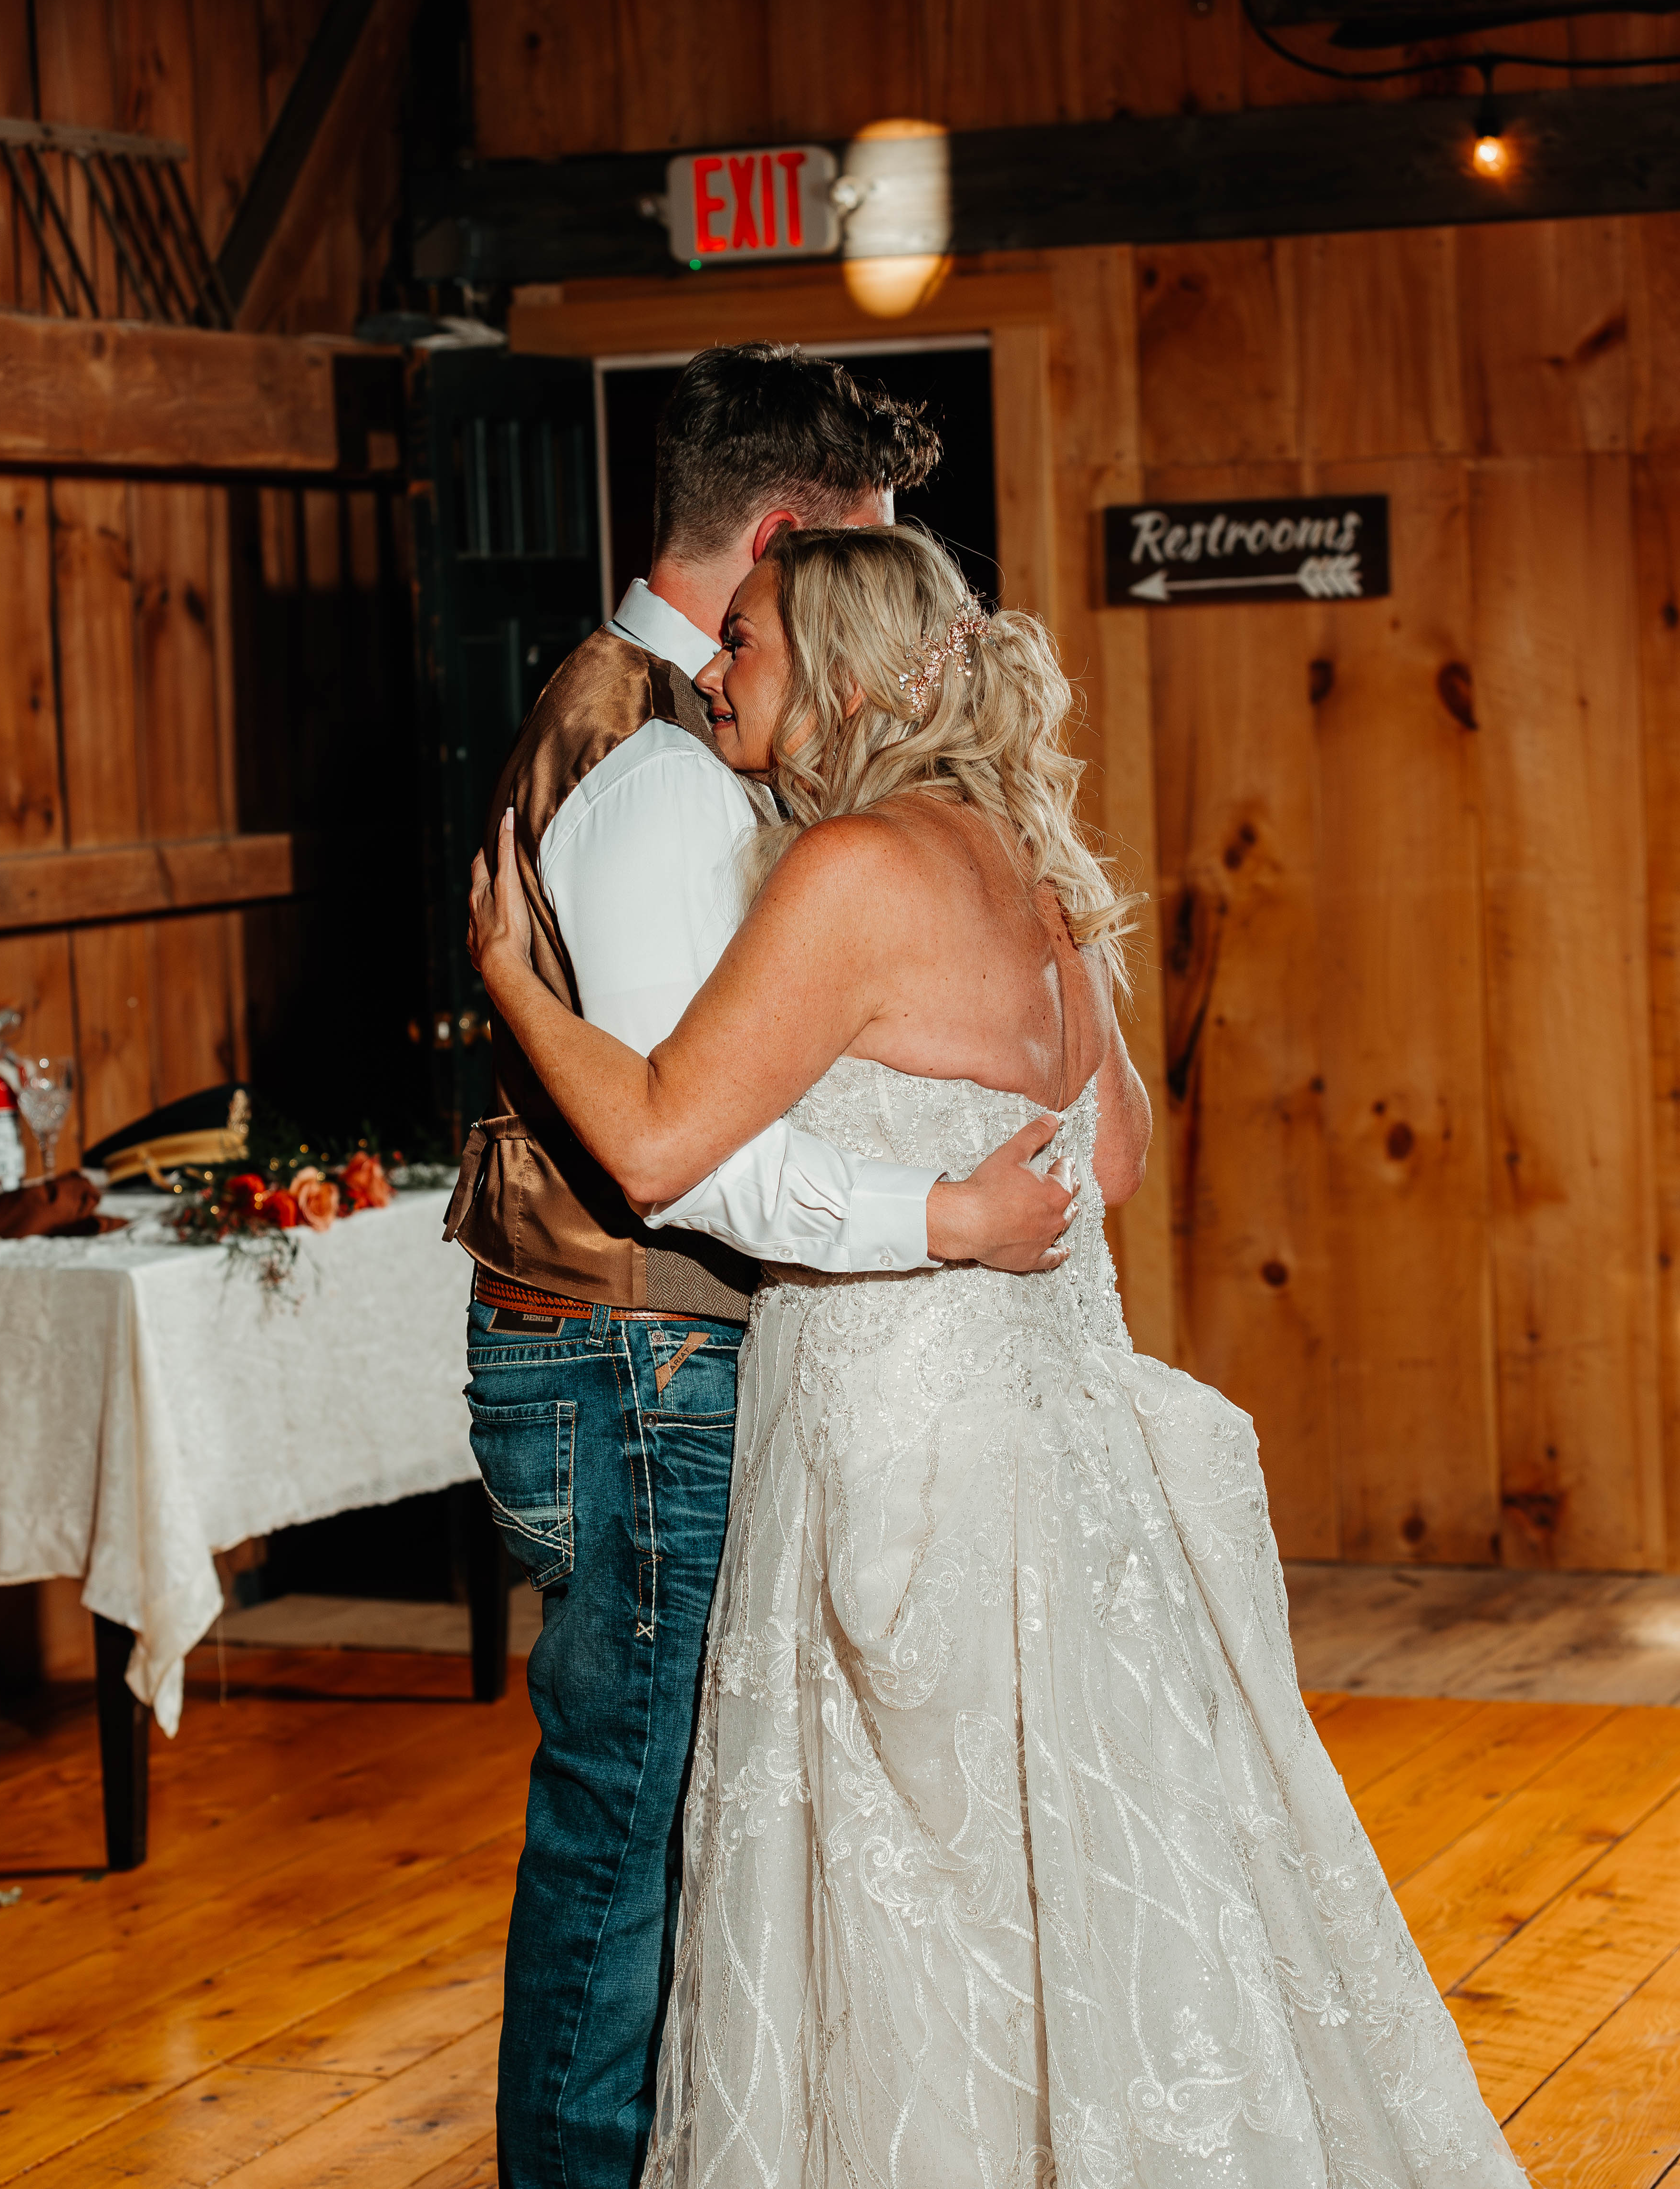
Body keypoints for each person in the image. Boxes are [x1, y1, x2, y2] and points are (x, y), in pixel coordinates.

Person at [467, 524, 1529, 2188]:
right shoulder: (1029, 870)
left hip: (891, 1424)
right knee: (1069, 1865)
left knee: (904, 1880)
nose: (718, 670)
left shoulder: (847, 869)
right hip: (1048, 1436)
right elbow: (1109, 1158)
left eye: (747, 641)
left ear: (841, 679)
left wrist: (515, 984)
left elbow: (662, 1144)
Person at [444, 348, 1080, 2189]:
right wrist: (940, 1219)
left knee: (697, 1808)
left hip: (681, 1355)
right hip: (639, 1354)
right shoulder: (649, 761)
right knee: (634, 1821)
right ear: (787, 544)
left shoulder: (736, 750)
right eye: (863, 556)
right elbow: (691, 1150)